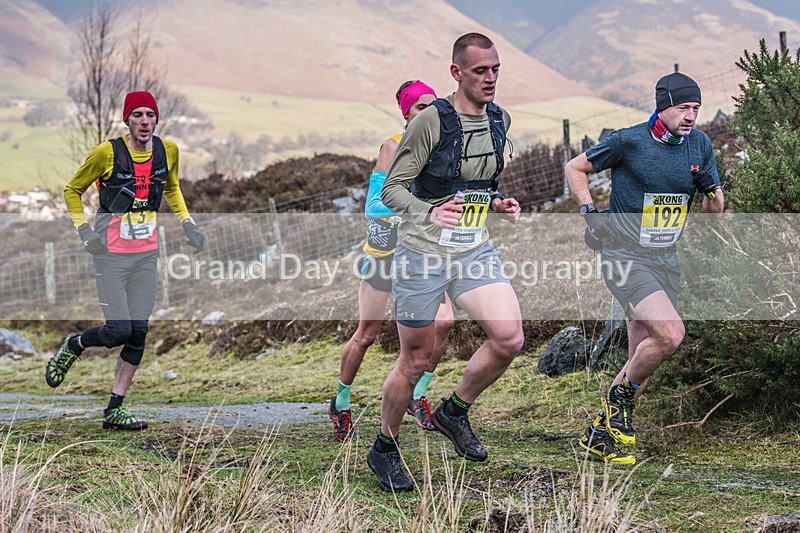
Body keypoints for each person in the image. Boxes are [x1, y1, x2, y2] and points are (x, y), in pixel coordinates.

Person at [367, 33, 524, 492]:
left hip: (473, 248)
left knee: (509, 338)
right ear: (457, 73)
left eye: (495, 69)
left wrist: (496, 203)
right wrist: (428, 211)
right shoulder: (431, 121)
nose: (490, 78)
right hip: (422, 253)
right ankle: (385, 448)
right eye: (480, 71)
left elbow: (473, 180)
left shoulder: (500, 119)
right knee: (415, 359)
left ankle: (453, 412)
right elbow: (392, 190)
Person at [565, 72, 724, 464]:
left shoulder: (700, 145)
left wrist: (710, 191)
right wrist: (589, 212)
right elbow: (575, 168)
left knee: (644, 358)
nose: (691, 116)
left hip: (665, 259)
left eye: (696, 109)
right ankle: (619, 400)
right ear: (663, 106)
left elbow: (713, 215)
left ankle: (599, 436)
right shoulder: (629, 140)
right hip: (623, 256)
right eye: (684, 108)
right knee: (670, 335)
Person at [46, 91, 205, 430]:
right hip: (110, 256)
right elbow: (72, 190)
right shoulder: (108, 152)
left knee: (138, 332)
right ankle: (74, 344)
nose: (145, 121)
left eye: (150, 115)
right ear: (127, 120)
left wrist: (187, 223)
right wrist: (84, 232)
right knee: (118, 329)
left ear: (156, 119)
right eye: (138, 115)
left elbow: (172, 188)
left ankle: (115, 409)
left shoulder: (168, 151)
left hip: (146, 255)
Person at [328, 81, 455, 442]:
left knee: (444, 322)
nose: (428, 113)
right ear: (406, 113)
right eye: (420, 108)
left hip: (422, 255)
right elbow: (373, 206)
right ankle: (341, 401)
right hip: (384, 257)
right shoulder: (392, 147)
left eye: (433, 107)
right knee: (366, 335)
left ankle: (417, 395)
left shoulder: (440, 150)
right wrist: (421, 210)